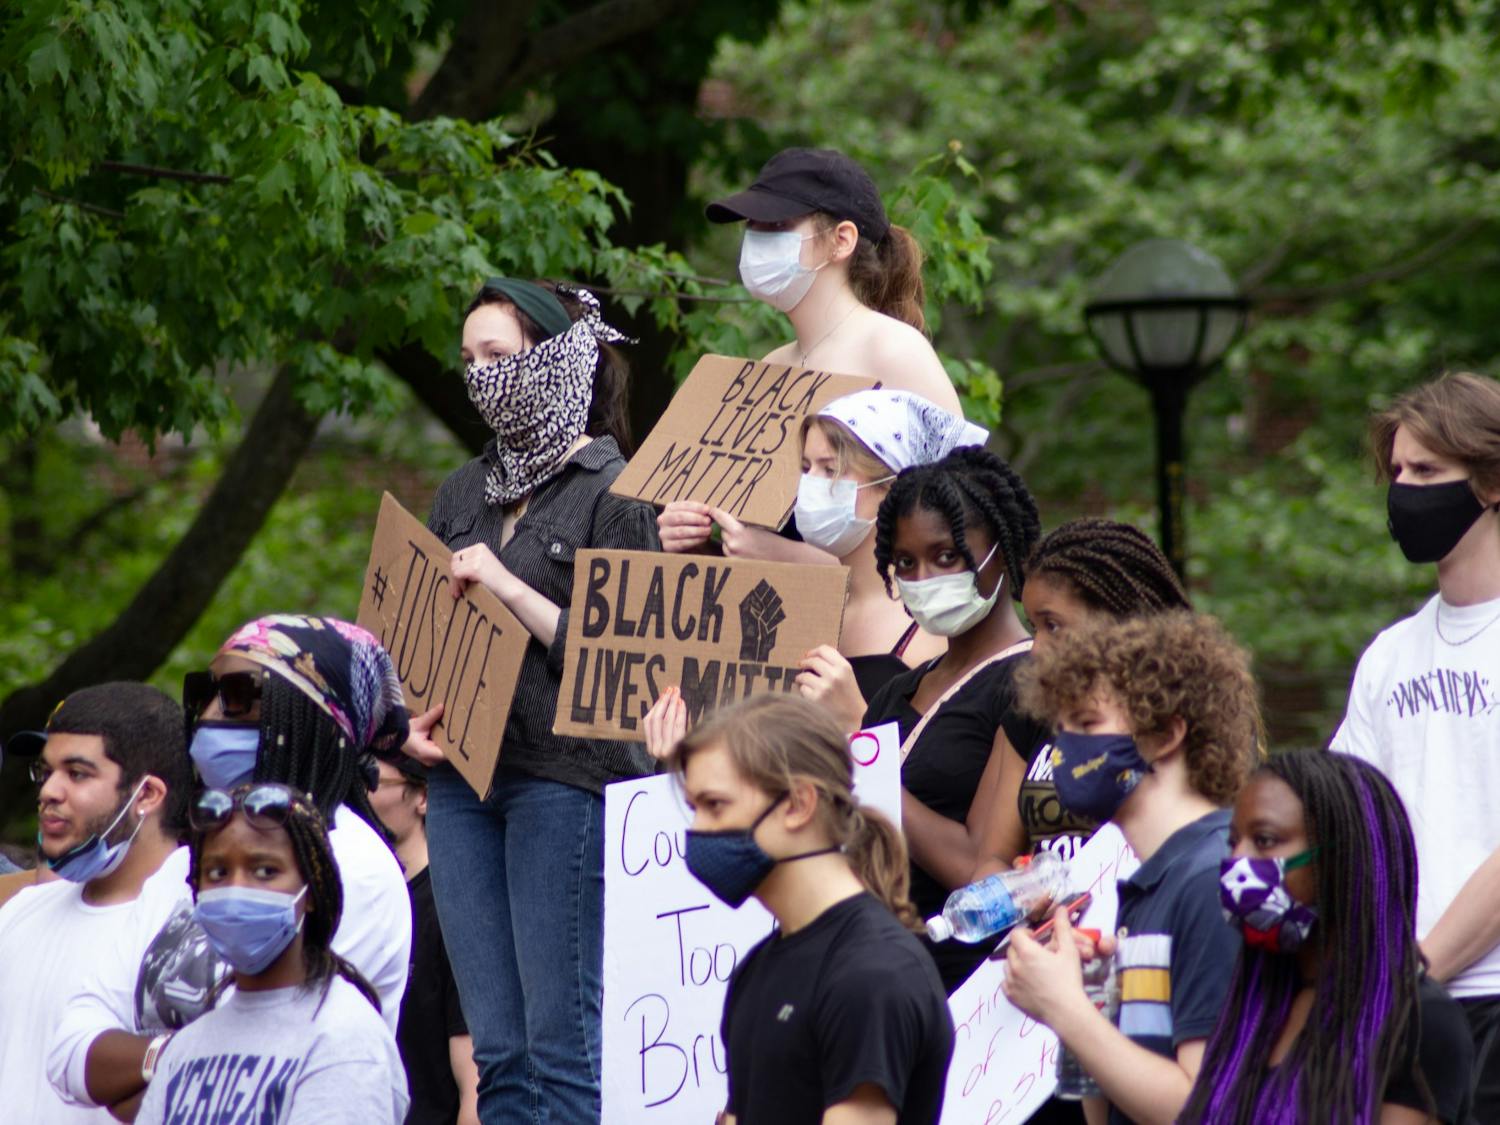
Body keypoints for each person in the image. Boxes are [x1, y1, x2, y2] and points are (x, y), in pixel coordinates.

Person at [404, 278, 659, 1121]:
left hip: (566, 780)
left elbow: (625, 664)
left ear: (557, 360)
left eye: (499, 356)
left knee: (561, 1046)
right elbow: (421, 641)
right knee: (497, 1053)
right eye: (468, 359)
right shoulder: (459, 494)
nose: (479, 375)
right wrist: (414, 720)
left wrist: (507, 585)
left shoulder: (618, 493)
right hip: (461, 784)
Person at [49, 615, 412, 1115]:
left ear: (310, 716)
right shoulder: (187, 861)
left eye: (241, 694)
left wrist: (152, 1069)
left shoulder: (352, 861)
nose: (213, 712)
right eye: (209, 692)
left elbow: (270, 1052)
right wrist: (178, 1060)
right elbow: (70, 1051)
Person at [1002, 612, 1261, 1125]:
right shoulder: (1150, 886)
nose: (1061, 752)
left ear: (1164, 734)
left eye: (1087, 725)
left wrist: (1065, 1009)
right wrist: (1088, 1002)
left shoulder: (1212, 881)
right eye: (1061, 728)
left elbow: (1206, 1107)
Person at [660, 146, 963, 565]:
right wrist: (703, 541)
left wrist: (792, 559)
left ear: (841, 240)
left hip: (883, 626)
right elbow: (763, 543)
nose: (757, 238)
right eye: (753, 224)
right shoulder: (772, 366)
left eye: (778, 224)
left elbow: (960, 521)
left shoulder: (894, 351)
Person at [1332, 370, 1500, 1120]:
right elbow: (1344, 824)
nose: (1404, 489)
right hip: (1401, 1009)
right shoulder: (1389, 655)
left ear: (1491, 481)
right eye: (1397, 472)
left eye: (1428, 471)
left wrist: (1415, 974)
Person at [667, 694, 954, 1125]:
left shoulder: (873, 974)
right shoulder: (758, 968)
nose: (698, 832)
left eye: (715, 806)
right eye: (694, 810)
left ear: (799, 804)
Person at [646, 389, 987, 746]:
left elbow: (930, 780)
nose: (811, 485)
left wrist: (856, 720)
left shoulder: (930, 624)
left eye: (831, 470)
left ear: (893, 488)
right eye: (806, 469)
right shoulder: (790, 603)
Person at [1179, 750, 1474, 1124]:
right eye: (1233, 843)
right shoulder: (1254, 1001)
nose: (1238, 863)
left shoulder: (1419, 1022)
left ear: (1342, 859)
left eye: (1265, 841)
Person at [859, 445, 1048, 991]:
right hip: (880, 981)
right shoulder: (896, 692)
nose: (924, 578)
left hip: (965, 990)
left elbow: (979, 869)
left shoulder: (1032, 680)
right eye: (906, 563)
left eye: (947, 556)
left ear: (1001, 552)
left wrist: (867, 773)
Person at [135, 781, 408, 1123]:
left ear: (311, 890)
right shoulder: (184, 1049)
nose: (236, 889)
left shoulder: (346, 1039)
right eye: (217, 872)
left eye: (265, 871)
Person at [0, 683, 191, 1123]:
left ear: (147, 795)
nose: (49, 791)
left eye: (77, 773)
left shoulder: (190, 929)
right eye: (45, 772)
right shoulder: (21, 911)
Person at [970, 518, 1192, 876]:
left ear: (1117, 620)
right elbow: (993, 858)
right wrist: (1018, 896)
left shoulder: (1172, 720)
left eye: (1053, 626)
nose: (1037, 648)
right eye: (1033, 627)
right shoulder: (1033, 710)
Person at [369, 749, 479, 1125]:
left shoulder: (450, 906)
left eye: (376, 782)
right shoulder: (365, 903)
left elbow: (474, 1085)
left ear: (423, 797)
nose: (363, 794)